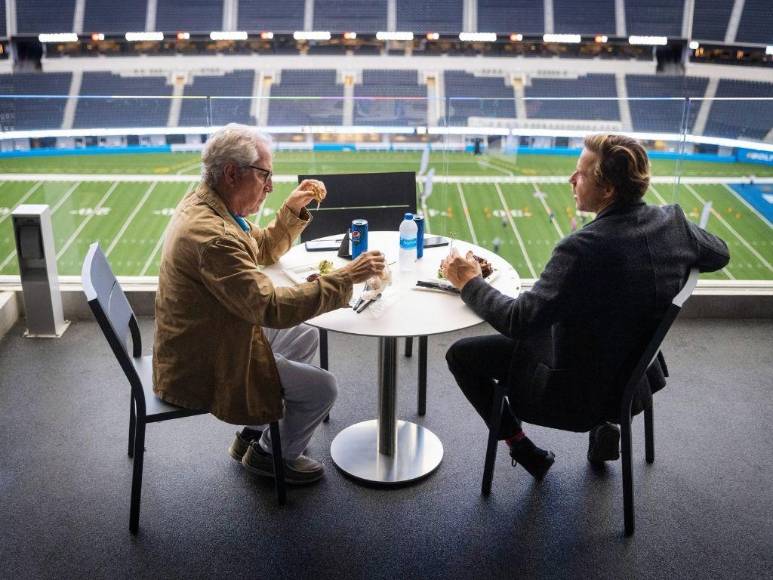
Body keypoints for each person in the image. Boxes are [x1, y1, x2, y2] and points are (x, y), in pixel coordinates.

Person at [441, 134, 729, 480]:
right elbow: (720, 253)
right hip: (633, 378)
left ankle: (522, 446)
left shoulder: (582, 249)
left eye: (580, 173)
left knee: (460, 355)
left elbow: (519, 321)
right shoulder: (674, 224)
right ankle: (606, 427)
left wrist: (470, 282)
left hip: (574, 394)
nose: (571, 180)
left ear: (607, 190)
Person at [153, 123, 385, 485]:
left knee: (305, 336)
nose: (271, 186)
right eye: (265, 175)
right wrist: (345, 278)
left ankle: (252, 432)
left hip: (205, 338)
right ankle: (269, 457)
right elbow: (271, 308)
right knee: (323, 389)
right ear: (232, 173)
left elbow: (259, 247)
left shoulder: (209, 204)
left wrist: (291, 210)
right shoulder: (213, 237)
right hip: (201, 365)